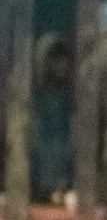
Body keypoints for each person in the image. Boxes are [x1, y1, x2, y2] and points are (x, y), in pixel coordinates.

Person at [32, 33, 75, 204]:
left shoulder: (71, 100)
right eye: (54, 59)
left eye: (63, 59)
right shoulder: (34, 99)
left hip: (66, 174)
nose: (60, 65)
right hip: (37, 175)